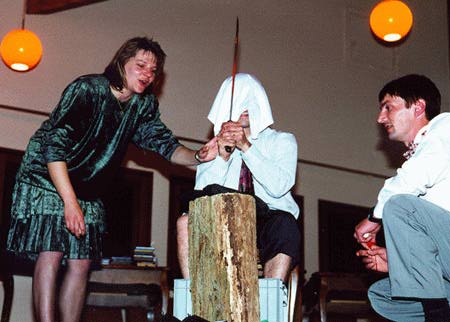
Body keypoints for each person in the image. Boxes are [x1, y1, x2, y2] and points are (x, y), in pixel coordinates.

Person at [6, 37, 217, 322]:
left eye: (153, 71)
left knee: (81, 263)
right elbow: (53, 147)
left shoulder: (142, 107)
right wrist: (69, 202)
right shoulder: (87, 89)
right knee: (52, 250)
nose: (147, 74)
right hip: (48, 175)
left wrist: (200, 155)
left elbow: (166, 145)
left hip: (88, 187)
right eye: (140, 65)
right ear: (122, 63)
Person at [354, 74, 450, 322]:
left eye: (388, 107)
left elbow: (406, 186)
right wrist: (402, 260)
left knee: (399, 206)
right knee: (383, 295)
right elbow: (439, 238)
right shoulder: (427, 165)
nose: (380, 118)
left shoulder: (448, 126)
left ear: (419, 107)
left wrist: (373, 217)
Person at [176, 73, 300, 281]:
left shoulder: (283, 141)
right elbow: (202, 195)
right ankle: (194, 301)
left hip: (268, 219)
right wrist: (223, 155)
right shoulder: (214, 146)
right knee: (186, 220)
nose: (245, 107)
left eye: (250, 101)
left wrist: (246, 147)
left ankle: (271, 304)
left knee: (285, 225)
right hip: (226, 219)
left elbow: (279, 187)